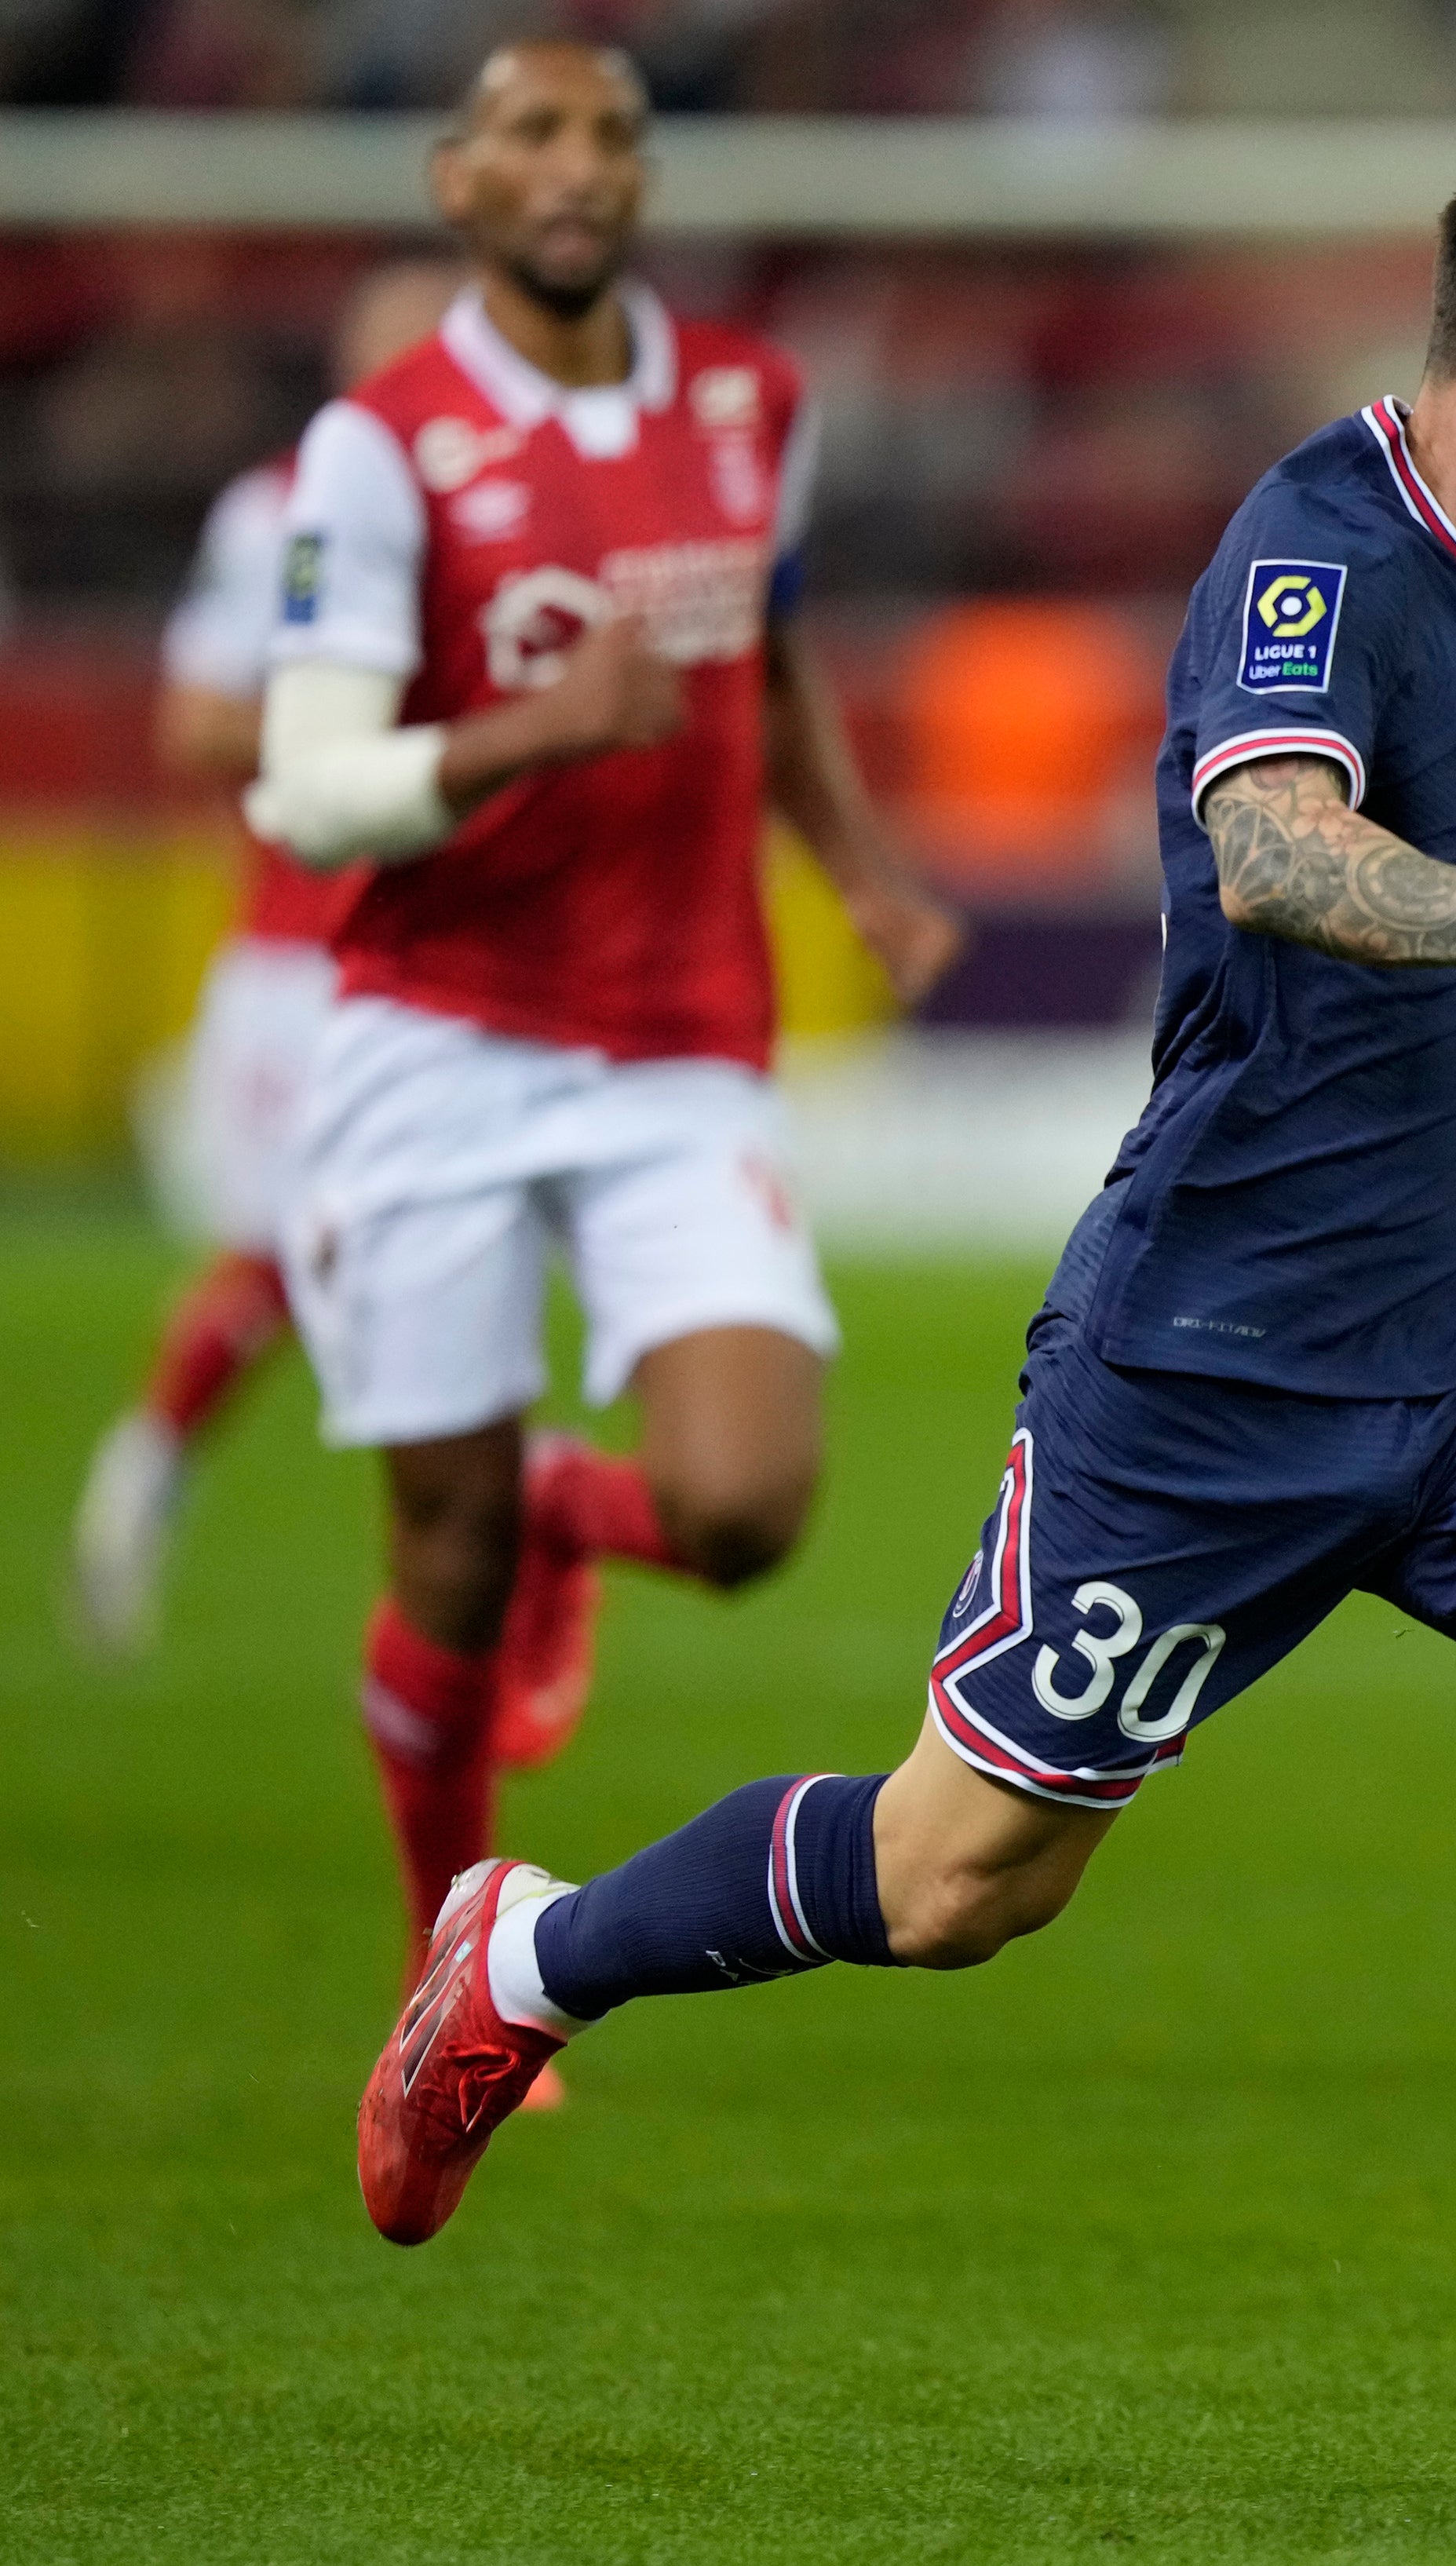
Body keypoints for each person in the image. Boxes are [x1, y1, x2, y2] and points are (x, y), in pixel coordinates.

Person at [356, 139, 1456, 2482]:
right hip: (1208, 1363)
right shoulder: (1312, 552)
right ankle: (525, 1954)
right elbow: (1269, 846)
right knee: (960, 1885)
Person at [247, 44, 963, 1985]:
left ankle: (583, 1501)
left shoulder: (751, 398)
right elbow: (304, 790)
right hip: (439, 1031)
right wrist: (535, 731)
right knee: (445, 1561)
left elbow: (774, 647)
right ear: (457, 182)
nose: (579, 169)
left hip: (675, 1039)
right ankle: (445, 1961)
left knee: (744, 1507)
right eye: (534, 136)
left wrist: (861, 867)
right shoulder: (380, 449)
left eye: (612, 138)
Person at [71, 259, 461, 1659]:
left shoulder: (506, 501)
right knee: (305, 1254)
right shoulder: (279, 506)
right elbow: (196, 724)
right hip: (309, 963)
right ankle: (149, 1463)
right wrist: (389, 737)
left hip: (472, 959)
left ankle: (483, 1575)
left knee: (443, 1258)